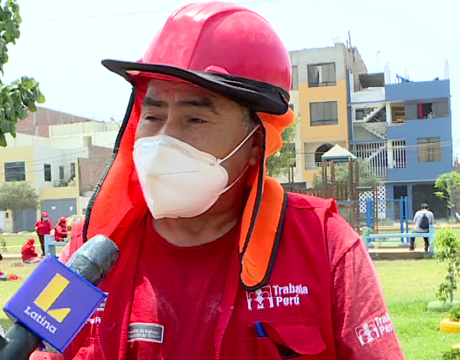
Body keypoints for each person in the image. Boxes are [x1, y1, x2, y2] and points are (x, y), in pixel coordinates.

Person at [32, 3, 405, 360]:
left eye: (195, 119)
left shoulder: (325, 246)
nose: (165, 140)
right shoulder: (87, 251)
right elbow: (36, 348)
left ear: (255, 142)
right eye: (153, 116)